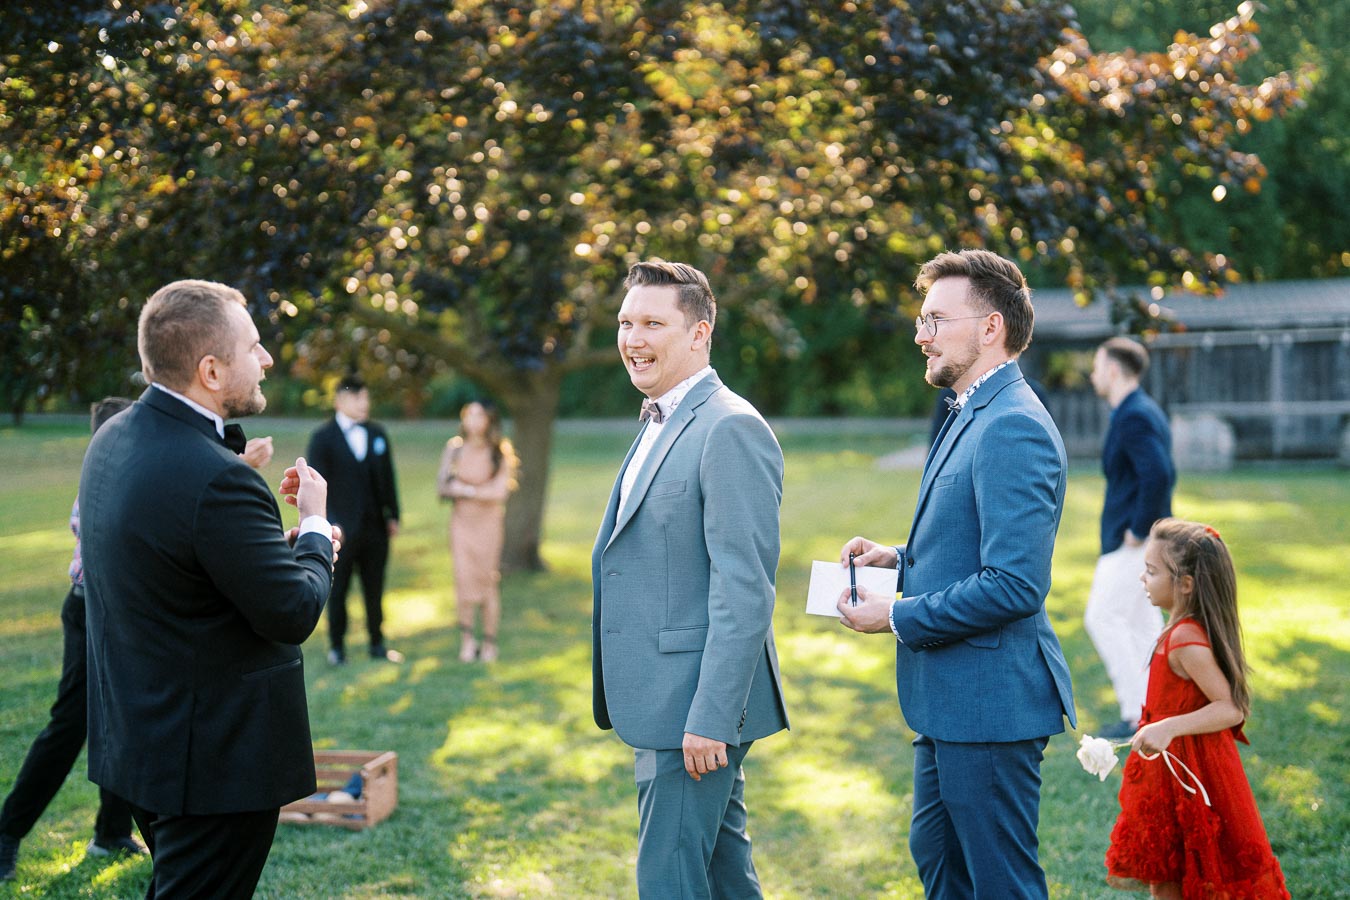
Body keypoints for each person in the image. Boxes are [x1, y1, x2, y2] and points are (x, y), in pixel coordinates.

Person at [79, 279, 338, 898]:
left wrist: (279, 551)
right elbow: (293, 610)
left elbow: (178, 569)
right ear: (212, 370)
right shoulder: (218, 479)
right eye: (254, 347)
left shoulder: (112, 440)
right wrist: (314, 527)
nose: (268, 359)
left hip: (143, 743)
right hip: (213, 764)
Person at [837, 249, 1076, 898]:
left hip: (990, 704)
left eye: (936, 319)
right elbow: (970, 546)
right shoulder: (967, 411)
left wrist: (895, 615)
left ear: (990, 327)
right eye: (922, 319)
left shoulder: (1012, 425)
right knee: (941, 863)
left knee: (1000, 883)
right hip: (949, 700)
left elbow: (1015, 584)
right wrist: (899, 558)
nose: (921, 334)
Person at [592, 260, 789, 898]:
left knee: (670, 880)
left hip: (691, 710)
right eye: (626, 322)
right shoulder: (661, 415)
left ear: (699, 333)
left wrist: (710, 716)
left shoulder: (729, 426)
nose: (633, 338)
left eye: (653, 322)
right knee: (723, 875)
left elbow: (744, 589)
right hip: (665, 699)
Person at [0, 399, 145, 883]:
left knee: (126, 718)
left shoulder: (124, 471)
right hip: (89, 609)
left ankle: (111, 831)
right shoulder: (108, 477)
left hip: (117, 612)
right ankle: (6, 833)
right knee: (70, 725)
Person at [1104, 518, 1289, 898]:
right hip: (1168, 773)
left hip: (1193, 772)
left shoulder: (1185, 639)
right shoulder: (1177, 630)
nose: (1143, 579)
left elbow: (1231, 708)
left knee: (1191, 873)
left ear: (1185, 585)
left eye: (1152, 571)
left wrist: (1168, 727)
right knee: (1166, 871)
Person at [1086, 337, 1176, 739]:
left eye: (1096, 366)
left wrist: (1138, 530)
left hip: (1135, 543)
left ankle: (1135, 713)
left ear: (1113, 370)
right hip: (1143, 542)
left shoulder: (1134, 414)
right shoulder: (1137, 410)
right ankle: (1152, 710)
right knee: (1141, 624)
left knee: (1102, 617)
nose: (1092, 374)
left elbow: (1158, 474)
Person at [307, 374, 402, 664]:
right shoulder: (323, 439)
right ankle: (337, 647)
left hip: (375, 526)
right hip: (341, 530)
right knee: (339, 590)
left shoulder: (377, 434)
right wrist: (330, 523)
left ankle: (377, 643)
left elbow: (388, 478)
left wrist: (393, 513)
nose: (364, 404)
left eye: (366, 398)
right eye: (357, 398)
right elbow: (315, 487)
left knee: (375, 587)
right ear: (339, 401)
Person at [437, 400, 518, 663]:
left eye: (478, 415)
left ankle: (490, 641)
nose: (472, 420)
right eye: (468, 414)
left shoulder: (498, 452)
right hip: (461, 525)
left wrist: (467, 490)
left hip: (489, 526)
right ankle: (467, 640)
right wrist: (471, 491)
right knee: (463, 579)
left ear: (488, 420)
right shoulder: (455, 449)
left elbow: (499, 492)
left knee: (487, 581)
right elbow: (443, 487)